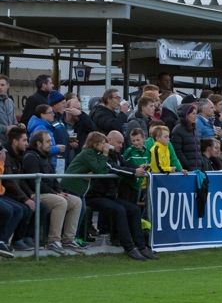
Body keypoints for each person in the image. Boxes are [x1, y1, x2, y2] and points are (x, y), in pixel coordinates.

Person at [62, 131, 156, 260]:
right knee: (119, 210)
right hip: (95, 195)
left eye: (122, 143)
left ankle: (141, 246)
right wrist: (134, 172)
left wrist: (138, 168)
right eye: (118, 142)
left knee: (134, 209)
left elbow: (123, 165)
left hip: (109, 195)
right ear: (108, 142)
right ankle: (129, 247)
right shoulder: (100, 155)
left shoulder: (115, 155)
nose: (121, 146)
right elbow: (109, 168)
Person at [22, 130, 83, 254]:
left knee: (76, 201)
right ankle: (53, 240)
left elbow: (53, 178)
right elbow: (35, 182)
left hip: (50, 192)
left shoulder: (46, 156)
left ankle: (68, 239)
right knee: (60, 202)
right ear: (39, 143)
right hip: (37, 193)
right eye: (48, 141)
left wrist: (59, 191)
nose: (51, 144)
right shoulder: (31, 157)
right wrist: (56, 194)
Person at [172, 103, 205, 170]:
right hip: (186, 170)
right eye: (193, 114)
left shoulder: (195, 130)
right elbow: (177, 150)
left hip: (197, 168)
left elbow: (198, 149)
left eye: (196, 113)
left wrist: (201, 162)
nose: (196, 116)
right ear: (186, 115)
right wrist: (186, 164)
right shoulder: (178, 130)